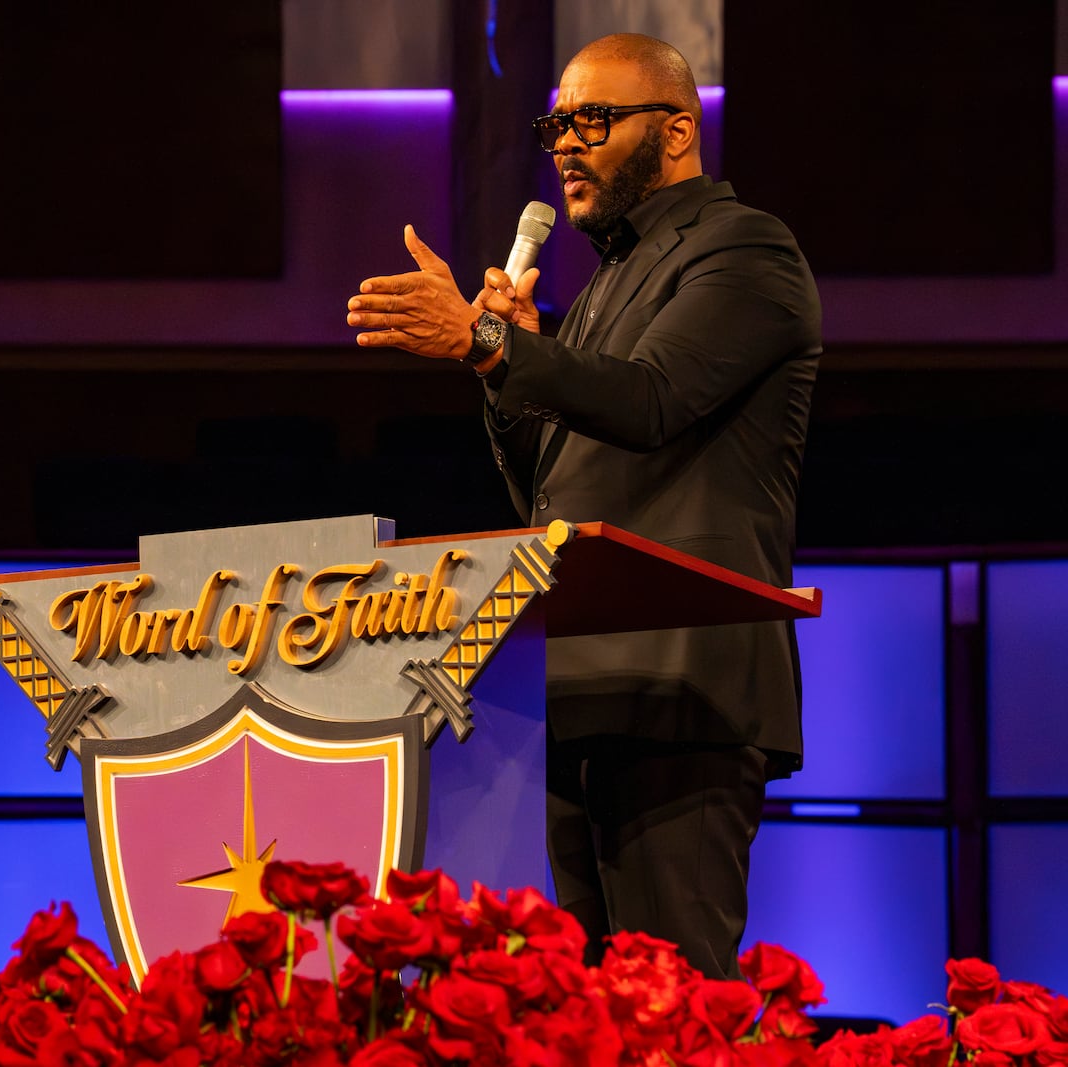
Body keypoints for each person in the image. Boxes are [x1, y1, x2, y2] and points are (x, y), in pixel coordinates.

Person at [345, 32, 820, 980]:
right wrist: (504, 370)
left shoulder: (745, 249)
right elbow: (549, 493)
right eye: (556, 124)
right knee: (576, 1010)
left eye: (592, 120)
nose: (565, 143)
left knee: (673, 1004)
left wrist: (488, 343)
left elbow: (651, 402)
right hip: (575, 689)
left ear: (677, 129)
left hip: (684, 687)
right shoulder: (604, 281)